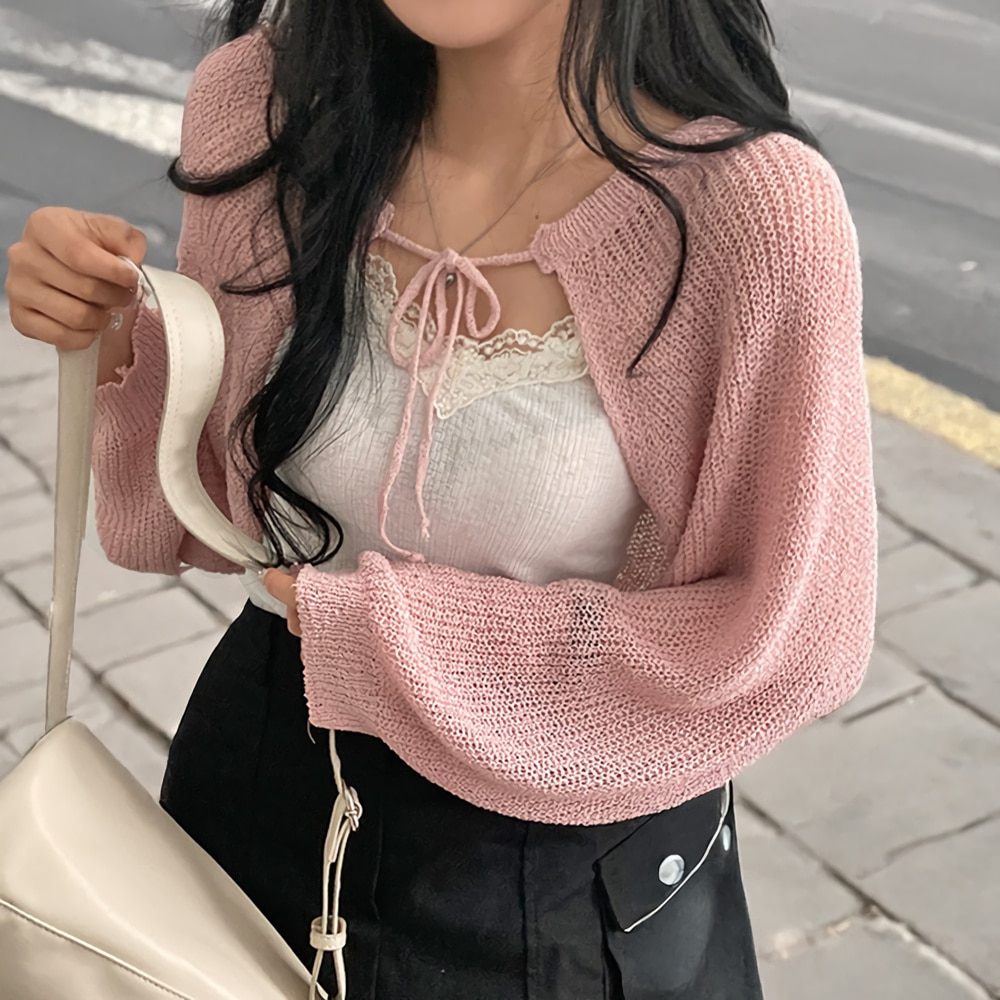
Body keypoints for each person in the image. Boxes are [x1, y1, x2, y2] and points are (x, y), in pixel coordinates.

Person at [4, 0, 878, 996]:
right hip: (257, 785)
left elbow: (794, 636)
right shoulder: (268, 107)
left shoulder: (750, 208)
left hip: (556, 864)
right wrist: (112, 324)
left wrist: (397, 634)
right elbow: (212, 495)